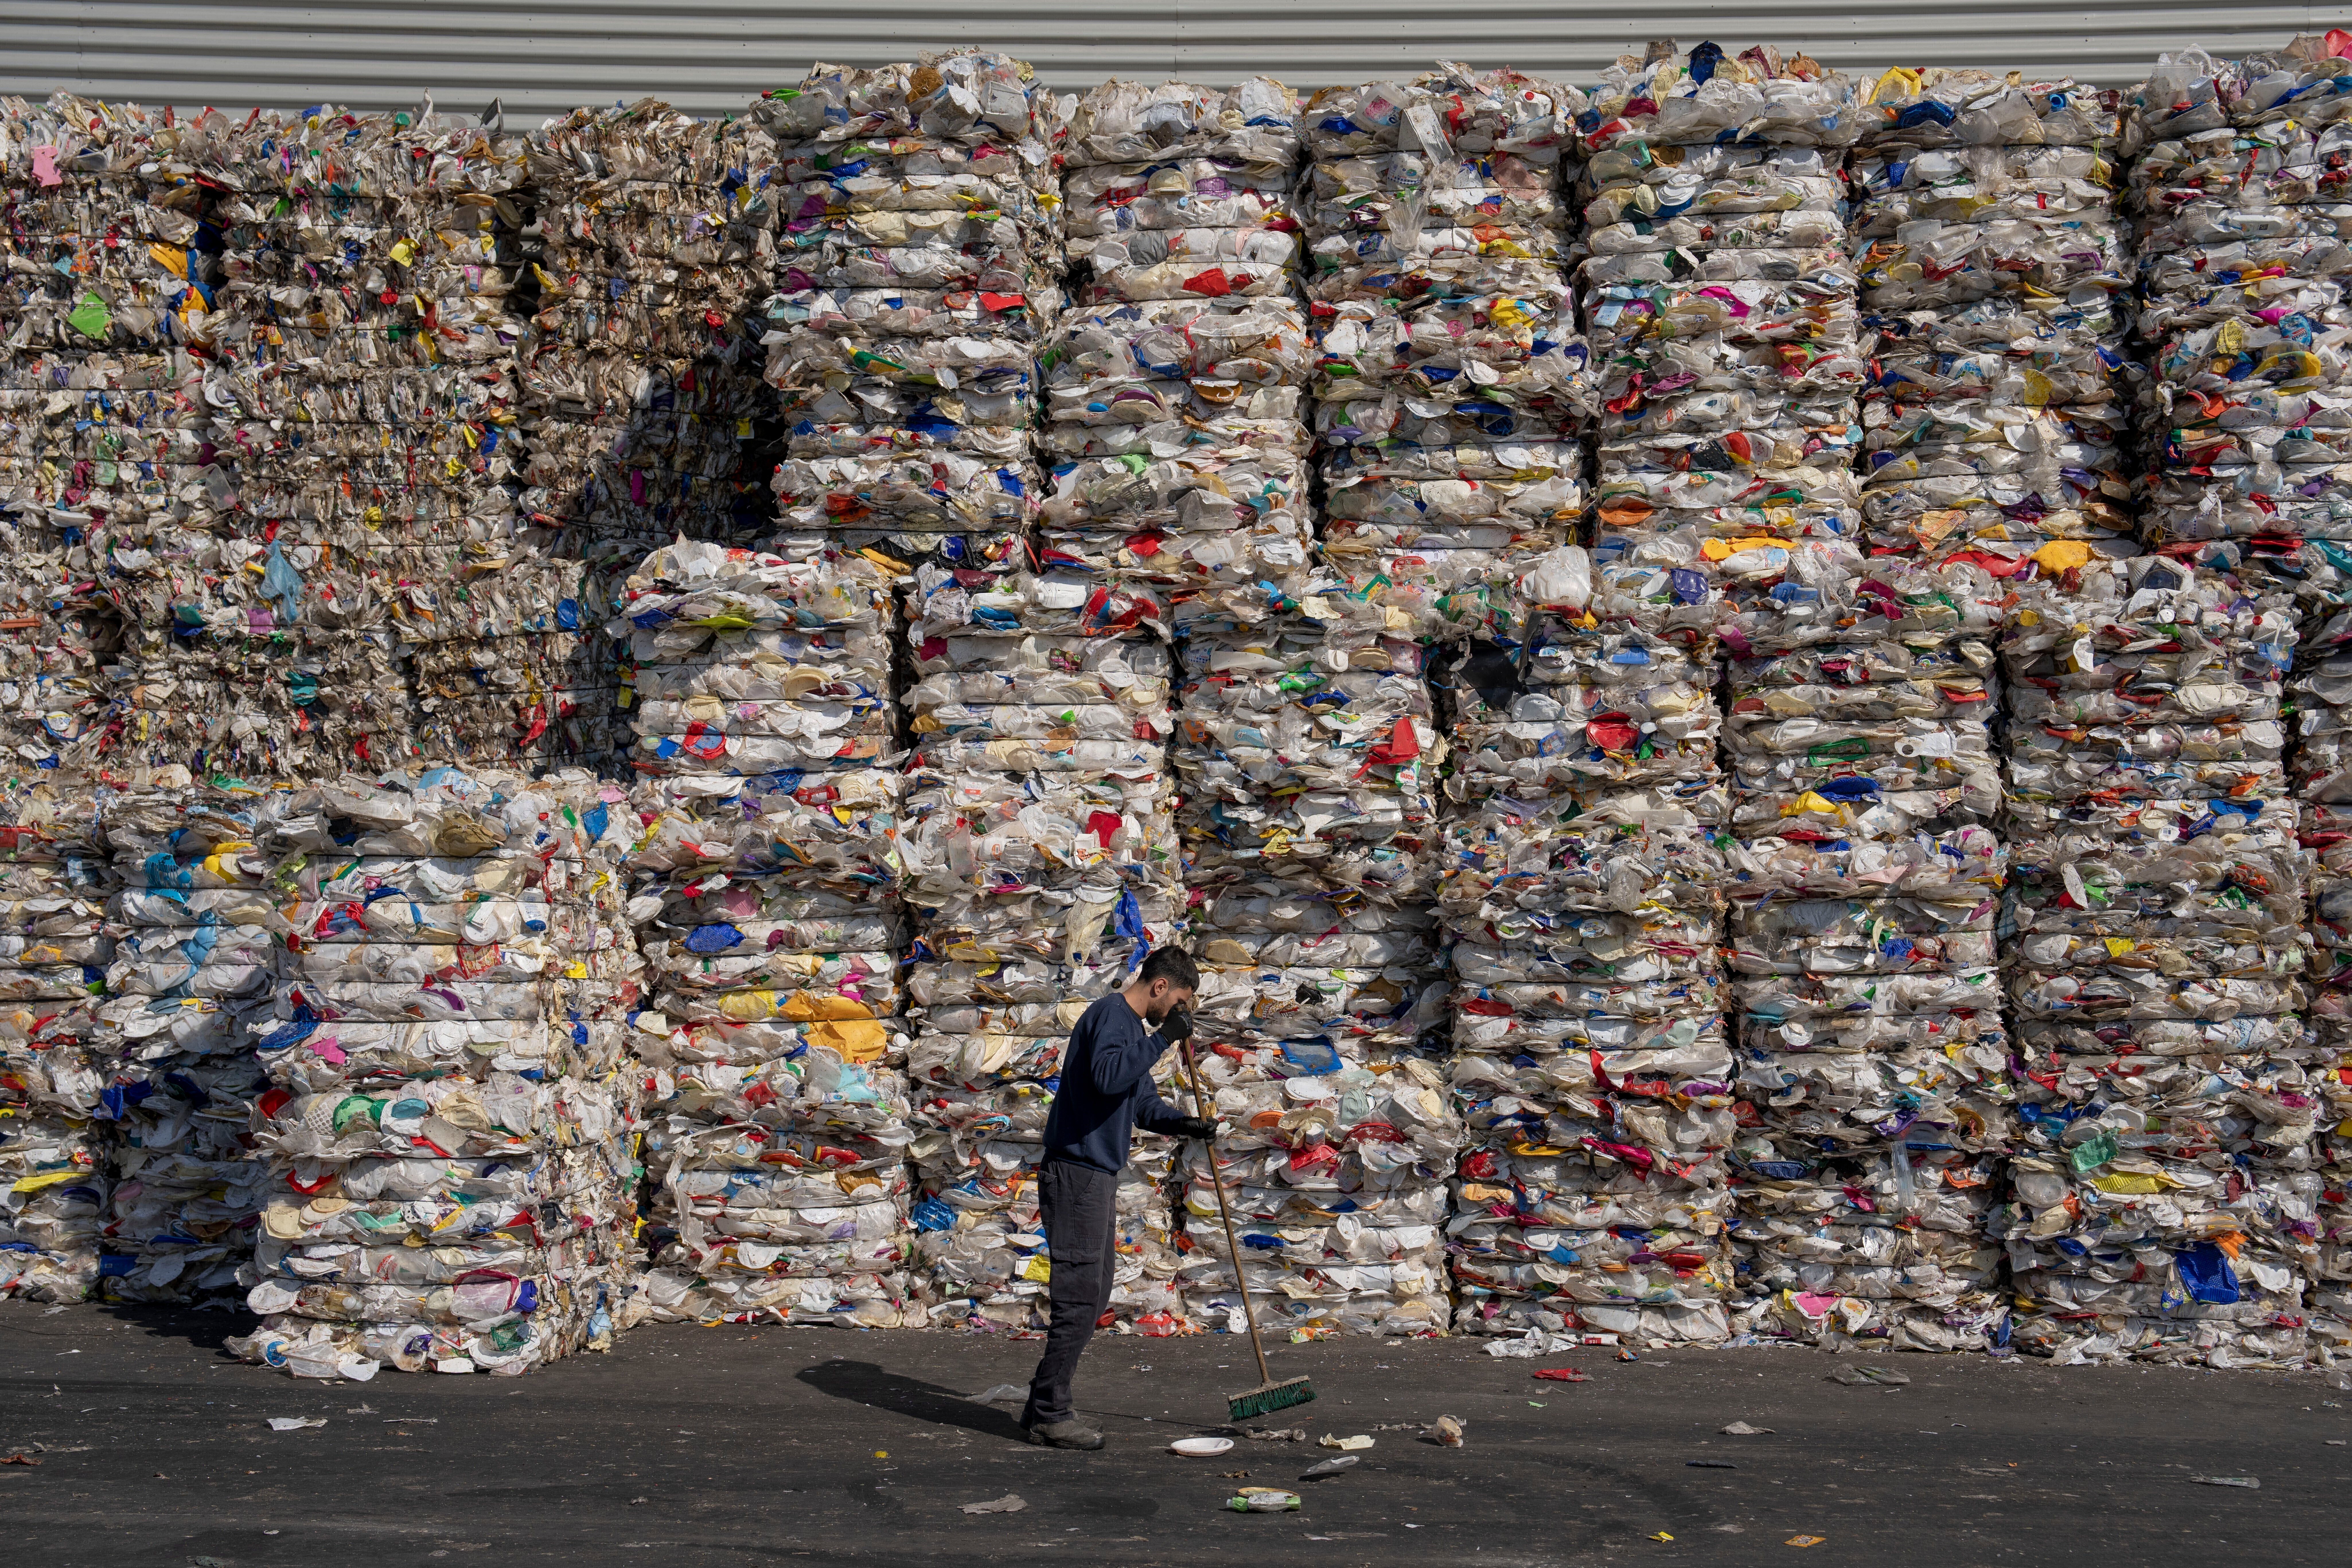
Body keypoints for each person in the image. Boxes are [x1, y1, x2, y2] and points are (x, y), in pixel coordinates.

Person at [1019, 946, 1211, 1449]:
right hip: (1077, 1171)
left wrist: (1183, 1123)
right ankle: (1050, 1413)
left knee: (1096, 1290)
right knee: (1080, 1296)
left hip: (1096, 1174)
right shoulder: (1111, 1016)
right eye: (1181, 1002)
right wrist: (1165, 1037)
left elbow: (1139, 1100)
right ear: (1159, 987)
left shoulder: (1130, 1030)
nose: (1180, 1014)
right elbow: (1108, 1077)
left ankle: (1044, 1403)